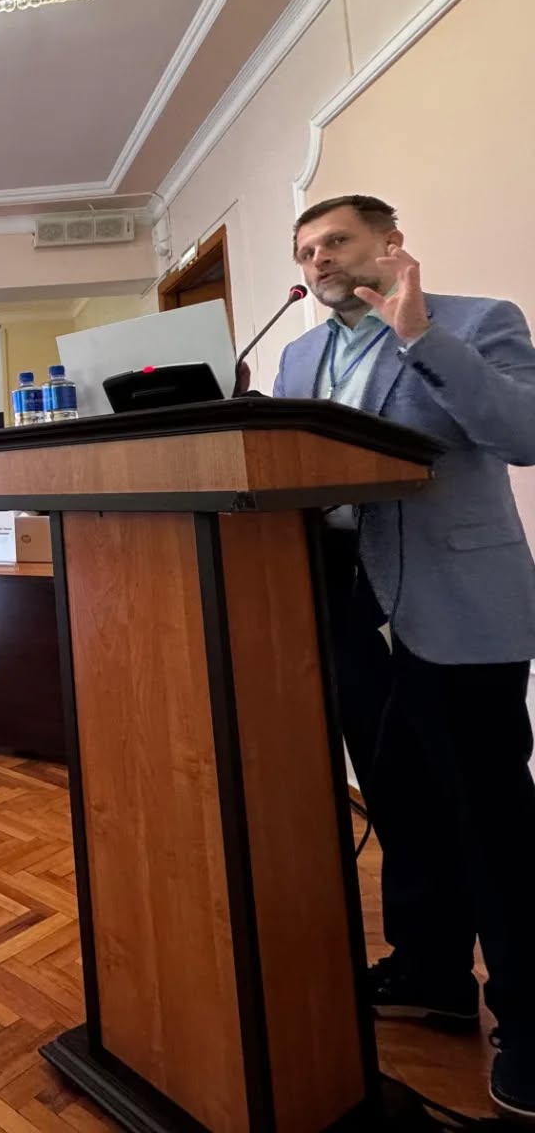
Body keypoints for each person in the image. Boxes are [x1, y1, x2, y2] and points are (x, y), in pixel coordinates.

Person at [272, 193, 535, 1118]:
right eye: (305, 251)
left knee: (492, 818)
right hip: (346, 601)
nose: (318, 261)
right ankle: (430, 970)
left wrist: (419, 335)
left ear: (390, 243)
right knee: (400, 801)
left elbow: (524, 434)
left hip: (457, 600)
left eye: (335, 241)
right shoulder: (298, 358)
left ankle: (531, 1023)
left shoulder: (477, 320)